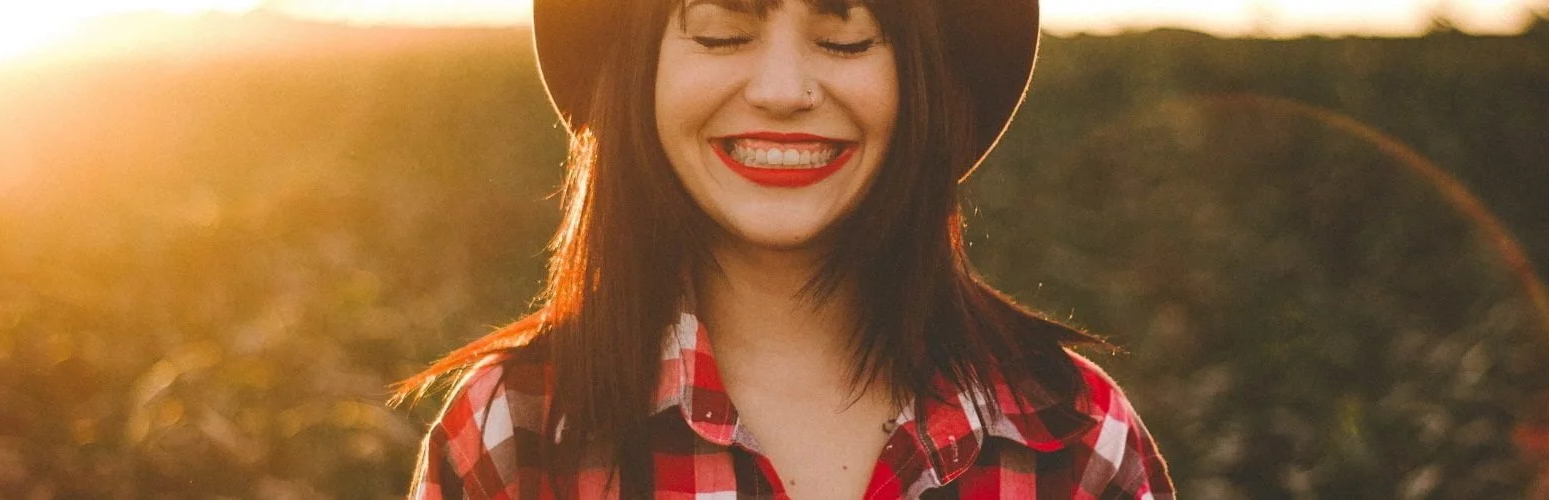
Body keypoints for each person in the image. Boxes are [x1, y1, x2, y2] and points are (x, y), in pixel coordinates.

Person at [399, 0, 1176, 497]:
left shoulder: (1071, 438)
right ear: (640, 71)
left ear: (926, 81)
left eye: (845, 38)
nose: (781, 90)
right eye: (722, 32)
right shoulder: (518, 431)